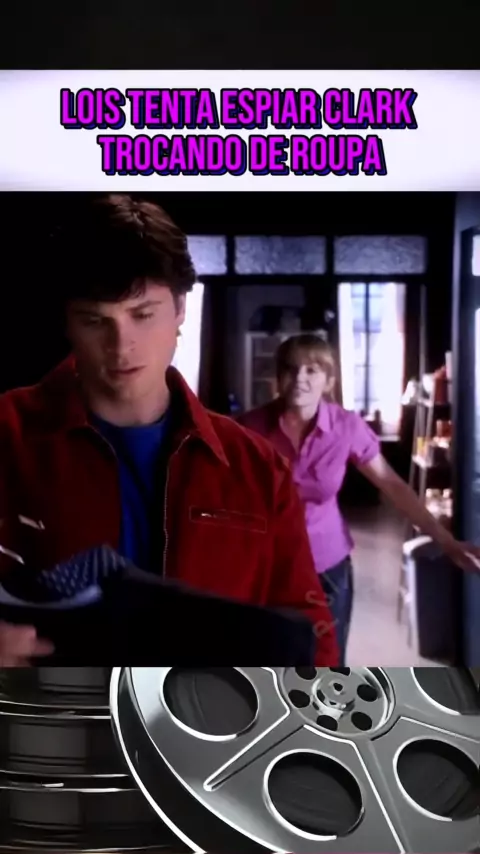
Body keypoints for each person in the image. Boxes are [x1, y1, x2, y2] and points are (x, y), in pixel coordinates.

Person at [0, 194, 338, 667]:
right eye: (95, 320)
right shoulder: (8, 435)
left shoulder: (258, 468)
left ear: (180, 309)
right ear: (67, 323)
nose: (122, 346)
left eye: (143, 314)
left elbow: (310, 636)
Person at [238, 333, 480, 664]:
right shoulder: (248, 428)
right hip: (267, 566)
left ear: (328, 380)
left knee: (327, 665)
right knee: (267, 662)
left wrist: (446, 542)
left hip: (326, 566)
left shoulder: (346, 427)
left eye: (312, 370)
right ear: (278, 377)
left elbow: (393, 485)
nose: (300, 378)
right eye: (290, 369)